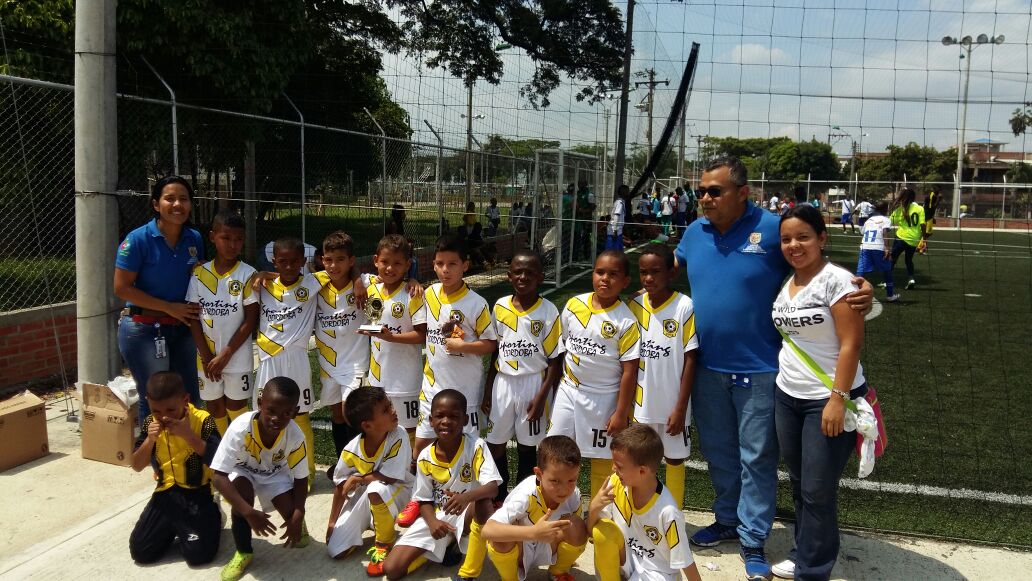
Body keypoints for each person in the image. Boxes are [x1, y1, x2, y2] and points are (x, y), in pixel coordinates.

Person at [673, 157, 872, 580]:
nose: (705, 198)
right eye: (701, 191)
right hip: (707, 367)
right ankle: (727, 519)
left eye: (715, 191)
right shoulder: (694, 232)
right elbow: (667, 269)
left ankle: (753, 538)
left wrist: (860, 285)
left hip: (762, 371)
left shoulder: (773, 230)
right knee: (720, 454)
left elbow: (813, 266)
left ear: (743, 193)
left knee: (757, 460)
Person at [770, 204, 868, 580]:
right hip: (787, 395)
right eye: (786, 239)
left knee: (817, 489)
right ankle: (805, 550)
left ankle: (812, 570)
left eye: (803, 237)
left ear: (822, 238)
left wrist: (837, 399)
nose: (794, 245)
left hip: (826, 399)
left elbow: (851, 344)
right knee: (801, 483)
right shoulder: (787, 282)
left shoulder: (836, 281)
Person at [395, 235, 498, 527]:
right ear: (433, 265)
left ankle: (470, 503)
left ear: (465, 265)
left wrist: (464, 346)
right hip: (433, 389)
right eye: (440, 264)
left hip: (466, 394)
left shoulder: (476, 303)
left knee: (468, 451)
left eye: (452, 264)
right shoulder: (428, 294)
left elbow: (491, 343)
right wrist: (412, 282)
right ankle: (419, 499)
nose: (445, 270)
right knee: (421, 447)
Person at [546, 250, 640, 498]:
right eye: (600, 272)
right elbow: (562, 348)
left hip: (604, 398)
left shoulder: (626, 321)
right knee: (554, 452)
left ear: (625, 281)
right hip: (569, 391)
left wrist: (621, 412)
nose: (605, 279)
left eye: (613, 274)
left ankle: (601, 513)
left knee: (602, 459)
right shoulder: (574, 305)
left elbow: (629, 371)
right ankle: (557, 508)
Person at [382, 390, 501, 580]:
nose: (446, 421)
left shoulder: (476, 446)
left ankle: (469, 571)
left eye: (454, 416)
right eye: (440, 416)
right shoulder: (425, 457)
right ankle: (444, 546)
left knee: (483, 502)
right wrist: (432, 522)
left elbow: (492, 487)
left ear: (465, 420)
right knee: (392, 569)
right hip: (439, 516)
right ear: (431, 420)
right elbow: (423, 499)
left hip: (468, 512)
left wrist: (466, 497)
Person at [115, 175, 204, 425]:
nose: (177, 205)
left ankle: (189, 446)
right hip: (144, 330)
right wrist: (168, 308)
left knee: (190, 396)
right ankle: (155, 448)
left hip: (183, 328)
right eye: (170, 199)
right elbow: (121, 288)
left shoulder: (194, 238)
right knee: (156, 398)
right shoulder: (138, 240)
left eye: (183, 199)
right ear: (156, 204)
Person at [482, 251, 564, 502]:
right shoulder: (500, 306)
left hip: (533, 383)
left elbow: (555, 359)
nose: (523, 277)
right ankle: (500, 494)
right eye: (518, 272)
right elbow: (496, 351)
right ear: (509, 276)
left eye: (530, 272)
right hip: (504, 382)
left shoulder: (548, 311)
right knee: (495, 442)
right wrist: (488, 389)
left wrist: (542, 397)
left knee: (528, 446)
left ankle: (523, 497)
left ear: (540, 277)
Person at [211, 376, 310, 581]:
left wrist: (299, 512)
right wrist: (248, 512)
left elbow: (301, 478)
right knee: (242, 498)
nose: (276, 418)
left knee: (292, 514)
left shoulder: (295, 435)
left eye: (286, 413)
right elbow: (219, 476)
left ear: (295, 412)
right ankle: (243, 552)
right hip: (243, 471)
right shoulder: (240, 428)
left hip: (275, 473)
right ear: (259, 404)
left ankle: (297, 524)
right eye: (270, 410)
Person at [627, 244, 698, 510]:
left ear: (671, 273)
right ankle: (638, 514)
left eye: (655, 272)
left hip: (672, 404)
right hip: (641, 403)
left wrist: (680, 408)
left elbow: (691, 358)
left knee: (674, 459)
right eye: (643, 272)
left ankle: (674, 515)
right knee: (638, 458)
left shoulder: (684, 306)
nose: (648, 278)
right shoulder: (634, 305)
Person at [129, 371, 222, 566]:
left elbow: (218, 460)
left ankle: (214, 515)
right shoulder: (150, 424)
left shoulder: (203, 420)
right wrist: (150, 440)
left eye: (171, 409)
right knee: (141, 551)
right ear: (148, 403)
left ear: (185, 400)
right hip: (165, 494)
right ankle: (177, 527)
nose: (164, 416)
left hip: (197, 493)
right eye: (156, 411)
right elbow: (136, 465)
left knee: (198, 556)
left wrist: (189, 436)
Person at [588, 424, 702, 581]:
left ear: (642, 471)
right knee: (602, 532)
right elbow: (591, 533)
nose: (613, 468)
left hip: (656, 572)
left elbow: (685, 560)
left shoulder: (668, 511)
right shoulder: (615, 484)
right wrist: (594, 508)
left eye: (619, 466)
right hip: (626, 561)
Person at [256, 237, 328, 481]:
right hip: (268, 358)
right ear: (274, 261)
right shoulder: (262, 284)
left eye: (294, 261)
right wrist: (263, 274)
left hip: (296, 358)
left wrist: (359, 282)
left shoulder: (313, 282)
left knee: (300, 414)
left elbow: (346, 270)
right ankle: (268, 468)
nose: (288, 266)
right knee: (265, 415)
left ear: (303, 261)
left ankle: (305, 473)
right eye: (282, 261)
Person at [326, 386, 413, 575]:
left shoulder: (398, 434)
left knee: (376, 488)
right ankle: (374, 519)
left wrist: (358, 478)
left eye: (390, 405)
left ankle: (384, 543)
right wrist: (332, 523)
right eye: (386, 410)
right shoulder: (351, 450)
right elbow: (340, 487)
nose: (393, 411)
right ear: (367, 426)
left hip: (403, 489)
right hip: (369, 495)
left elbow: (390, 476)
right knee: (336, 550)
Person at [186, 211, 258, 435]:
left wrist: (226, 354)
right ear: (212, 237)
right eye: (226, 238)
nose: (232, 244)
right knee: (215, 407)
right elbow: (193, 318)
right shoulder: (199, 274)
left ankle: (241, 450)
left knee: (236, 408)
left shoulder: (248, 274)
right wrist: (207, 356)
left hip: (236, 357)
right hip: (206, 359)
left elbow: (251, 319)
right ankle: (220, 451)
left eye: (238, 239)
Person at [482, 435, 588, 581]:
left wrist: (596, 508)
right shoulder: (526, 494)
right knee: (501, 537)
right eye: (555, 481)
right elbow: (488, 530)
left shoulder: (574, 494)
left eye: (571, 480)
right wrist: (534, 533)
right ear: (538, 474)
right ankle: (510, 578)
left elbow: (580, 531)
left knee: (577, 525)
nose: (564, 489)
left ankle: (558, 571)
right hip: (521, 546)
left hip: (548, 543)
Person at [358, 234, 428, 447]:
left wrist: (392, 337)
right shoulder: (371, 289)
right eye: (385, 262)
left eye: (397, 263)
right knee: (380, 428)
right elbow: (353, 274)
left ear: (408, 265)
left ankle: (410, 467)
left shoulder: (412, 293)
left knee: (409, 431)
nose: (390, 268)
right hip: (378, 379)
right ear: (376, 260)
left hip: (406, 381)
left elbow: (421, 335)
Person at [316, 232, 370, 472]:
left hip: (355, 362)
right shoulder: (316, 284)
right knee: (337, 415)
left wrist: (412, 283)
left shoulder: (365, 283)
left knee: (352, 414)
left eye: (340, 260)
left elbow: (393, 279)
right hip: (328, 363)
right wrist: (263, 275)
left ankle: (358, 465)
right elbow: (285, 278)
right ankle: (342, 464)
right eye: (328, 260)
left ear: (351, 261)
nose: (333, 266)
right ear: (322, 260)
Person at [856, 203, 899, 302]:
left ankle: (853, 293)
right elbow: (885, 233)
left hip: (865, 247)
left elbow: (862, 232)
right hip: (878, 247)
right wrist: (887, 248)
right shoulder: (886, 220)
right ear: (885, 210)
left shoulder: (869, 220)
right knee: (887, 270)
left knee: (860, 272)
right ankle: (890, 295)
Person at [889, 187, 926, 289]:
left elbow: (890, 222)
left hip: (901, 238)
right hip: (914, 239)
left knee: (892, 259)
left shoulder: (900, 210)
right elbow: (923, 225)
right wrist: (924, 238)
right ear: (914, 197)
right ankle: (911, 278)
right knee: (908, 260)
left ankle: (887, 281)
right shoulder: (920, 208)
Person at [606, 185, 630, 251]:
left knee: (618, 252)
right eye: (627, 191)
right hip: (614, 231)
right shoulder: (620, 203)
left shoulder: (621, 202)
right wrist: (615, 231)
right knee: (611, 252)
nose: (628, 193)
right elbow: (616, 216)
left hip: (618, 231)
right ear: (623, 192)